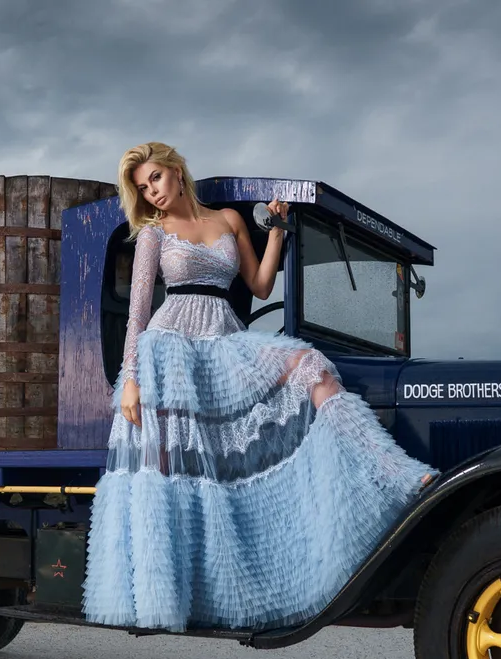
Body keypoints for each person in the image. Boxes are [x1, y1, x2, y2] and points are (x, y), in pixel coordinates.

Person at [82, 142, 437, 632]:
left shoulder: (228, 220)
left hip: (225, 339)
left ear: (177, 171)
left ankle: (393, 470)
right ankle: (179, 597)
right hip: (172, 351)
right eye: (143, 187)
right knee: (184, 479)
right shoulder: (153, 234)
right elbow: (138, 313)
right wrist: (132, 381)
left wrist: (276, 231)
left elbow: (261, 285)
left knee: (308, 366)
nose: (152, 192)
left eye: (156, 179)